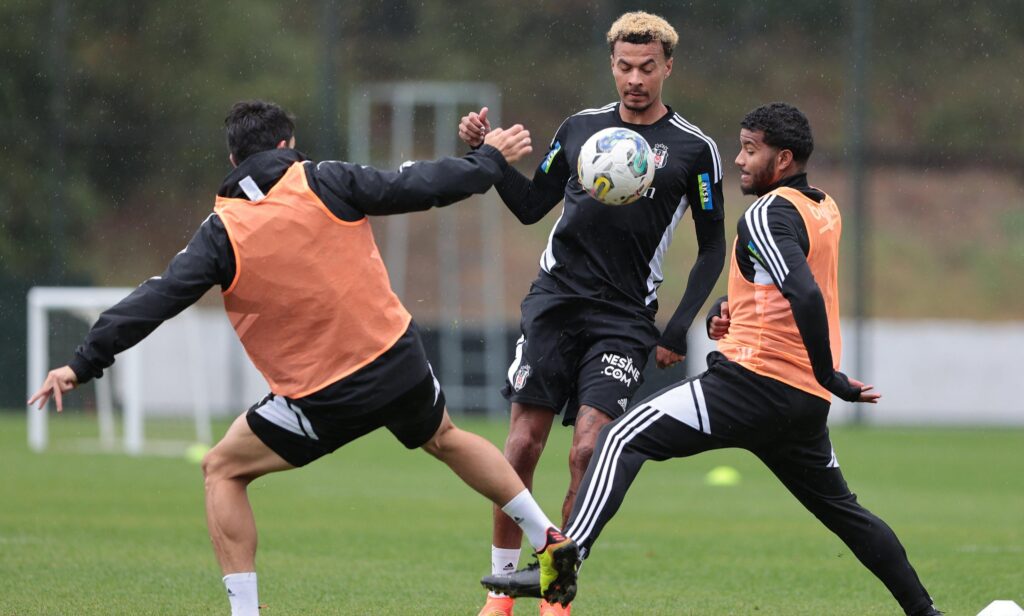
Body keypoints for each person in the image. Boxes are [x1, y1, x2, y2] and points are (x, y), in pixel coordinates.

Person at [28, 100, 580, 615]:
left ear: (232, 159)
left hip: (320, 397)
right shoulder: (324, 178)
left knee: (222, 469)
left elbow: (155, 300)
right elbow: (416, 185)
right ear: (288, 143)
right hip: (393, 357)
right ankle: (549, 537)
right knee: (447, 439)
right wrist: (486, 162)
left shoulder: (221, 233)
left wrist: (82, 362)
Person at [483, 103, 943, 616]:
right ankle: (926, 612)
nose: (740, 161)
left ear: (783, 158)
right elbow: (777, 287)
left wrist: (830, 372)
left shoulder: (766, 212)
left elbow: (806, 294)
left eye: (751, 150)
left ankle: (560, 565)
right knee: (846, 513)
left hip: (752, 384)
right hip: (801, 405)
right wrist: (731, 313)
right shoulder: (824, 207)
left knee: (617, 440)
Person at [458, 11, 726, 616]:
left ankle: (555, 591)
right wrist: (487, 155)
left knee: (587, 450)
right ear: (612, 64)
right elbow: (531, 207)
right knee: (523, 442)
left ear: (668, 67)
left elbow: (713, 246)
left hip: (626, 318)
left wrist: (678, 326)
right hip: (555, 303)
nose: (636, 78)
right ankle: (502, 592)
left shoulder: (694, 149)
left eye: (648, 67)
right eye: (626, 67)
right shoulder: (579, 129)